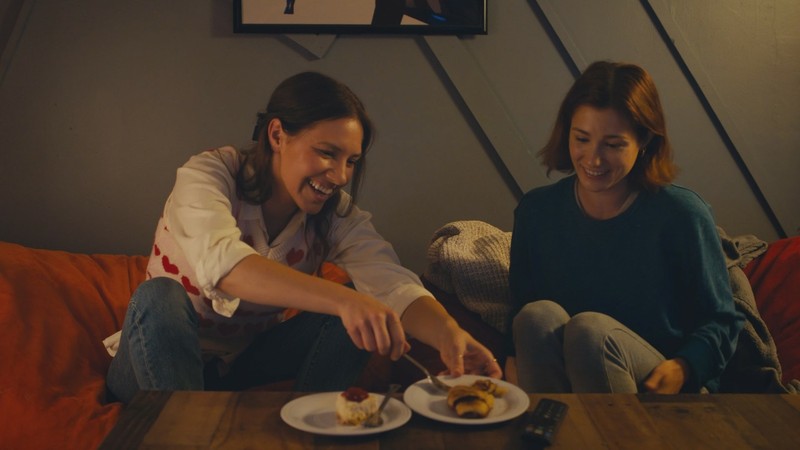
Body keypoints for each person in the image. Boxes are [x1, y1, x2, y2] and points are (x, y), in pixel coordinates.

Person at [105, 71, 501, 403]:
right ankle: (184, 435)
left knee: (358, 304)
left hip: (242, 362)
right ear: (277, 135)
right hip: (151, 361)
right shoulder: (208, 174)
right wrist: (347, 300)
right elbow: (226, 266)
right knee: (160, 295)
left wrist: (451, 336)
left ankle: (316, 427)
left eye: (351, 161)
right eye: (327, 153)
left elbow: (392, 283)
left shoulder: (335, 214)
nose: (341, 175)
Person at [509, 61, 744, 394]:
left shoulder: (681, 214)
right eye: (582, 139)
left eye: (613, 144)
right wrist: (510, 355)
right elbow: (519, 305)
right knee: (535, 317)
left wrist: (682, 367)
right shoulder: (536, 212)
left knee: (591, 332)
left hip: (662, 389)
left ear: (644, 139)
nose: (593, 159)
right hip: (568, 389)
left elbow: (722, 320)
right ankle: (549, 437)